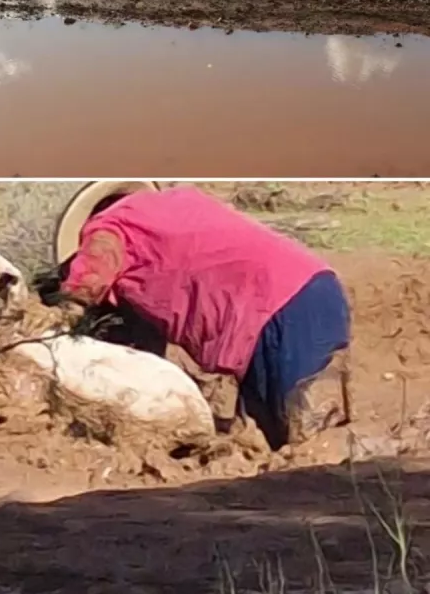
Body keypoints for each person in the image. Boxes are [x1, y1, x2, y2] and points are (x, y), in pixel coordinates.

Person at [54, 181, 352, 450]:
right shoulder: (180, 204)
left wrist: (59, 326)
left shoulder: (110, 226)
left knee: (303, 442)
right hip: (317, 290)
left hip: (278, 310)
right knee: (290, 438)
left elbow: (86, 283)